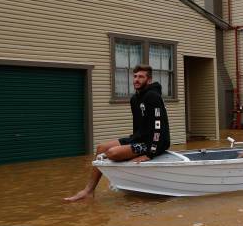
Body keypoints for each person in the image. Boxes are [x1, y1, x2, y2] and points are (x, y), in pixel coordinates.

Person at [64, 64, 170, 201]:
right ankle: (88, 190)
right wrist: (132, 144)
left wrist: (150, 153)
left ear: (149, 80)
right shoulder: (134, 99)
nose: (136, 80)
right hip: (139, 138)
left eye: (141, 77)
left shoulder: (153, 96)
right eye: (135, 76)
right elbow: (138, 126)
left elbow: (158, 126)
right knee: (101, 148)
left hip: (153, 143)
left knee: (112, 153)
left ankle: (121, 181)